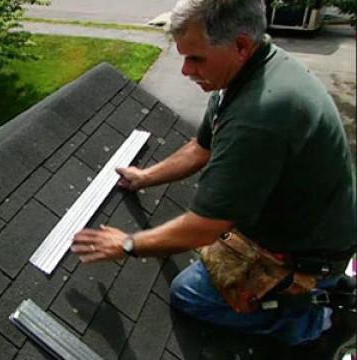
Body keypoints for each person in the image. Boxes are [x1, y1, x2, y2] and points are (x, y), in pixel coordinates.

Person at [72, 0, 356, 356]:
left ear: (240, 45)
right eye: (184, 58)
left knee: (189, 296)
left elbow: (206, 227)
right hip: (288, 220)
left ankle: (316, 320)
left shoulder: (261, 114)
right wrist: (144, 177)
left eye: (197, 59)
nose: (186, 71)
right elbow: (200, 148)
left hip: (307, 249)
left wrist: (127, 244)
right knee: (209, 259)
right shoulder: (245, 73)